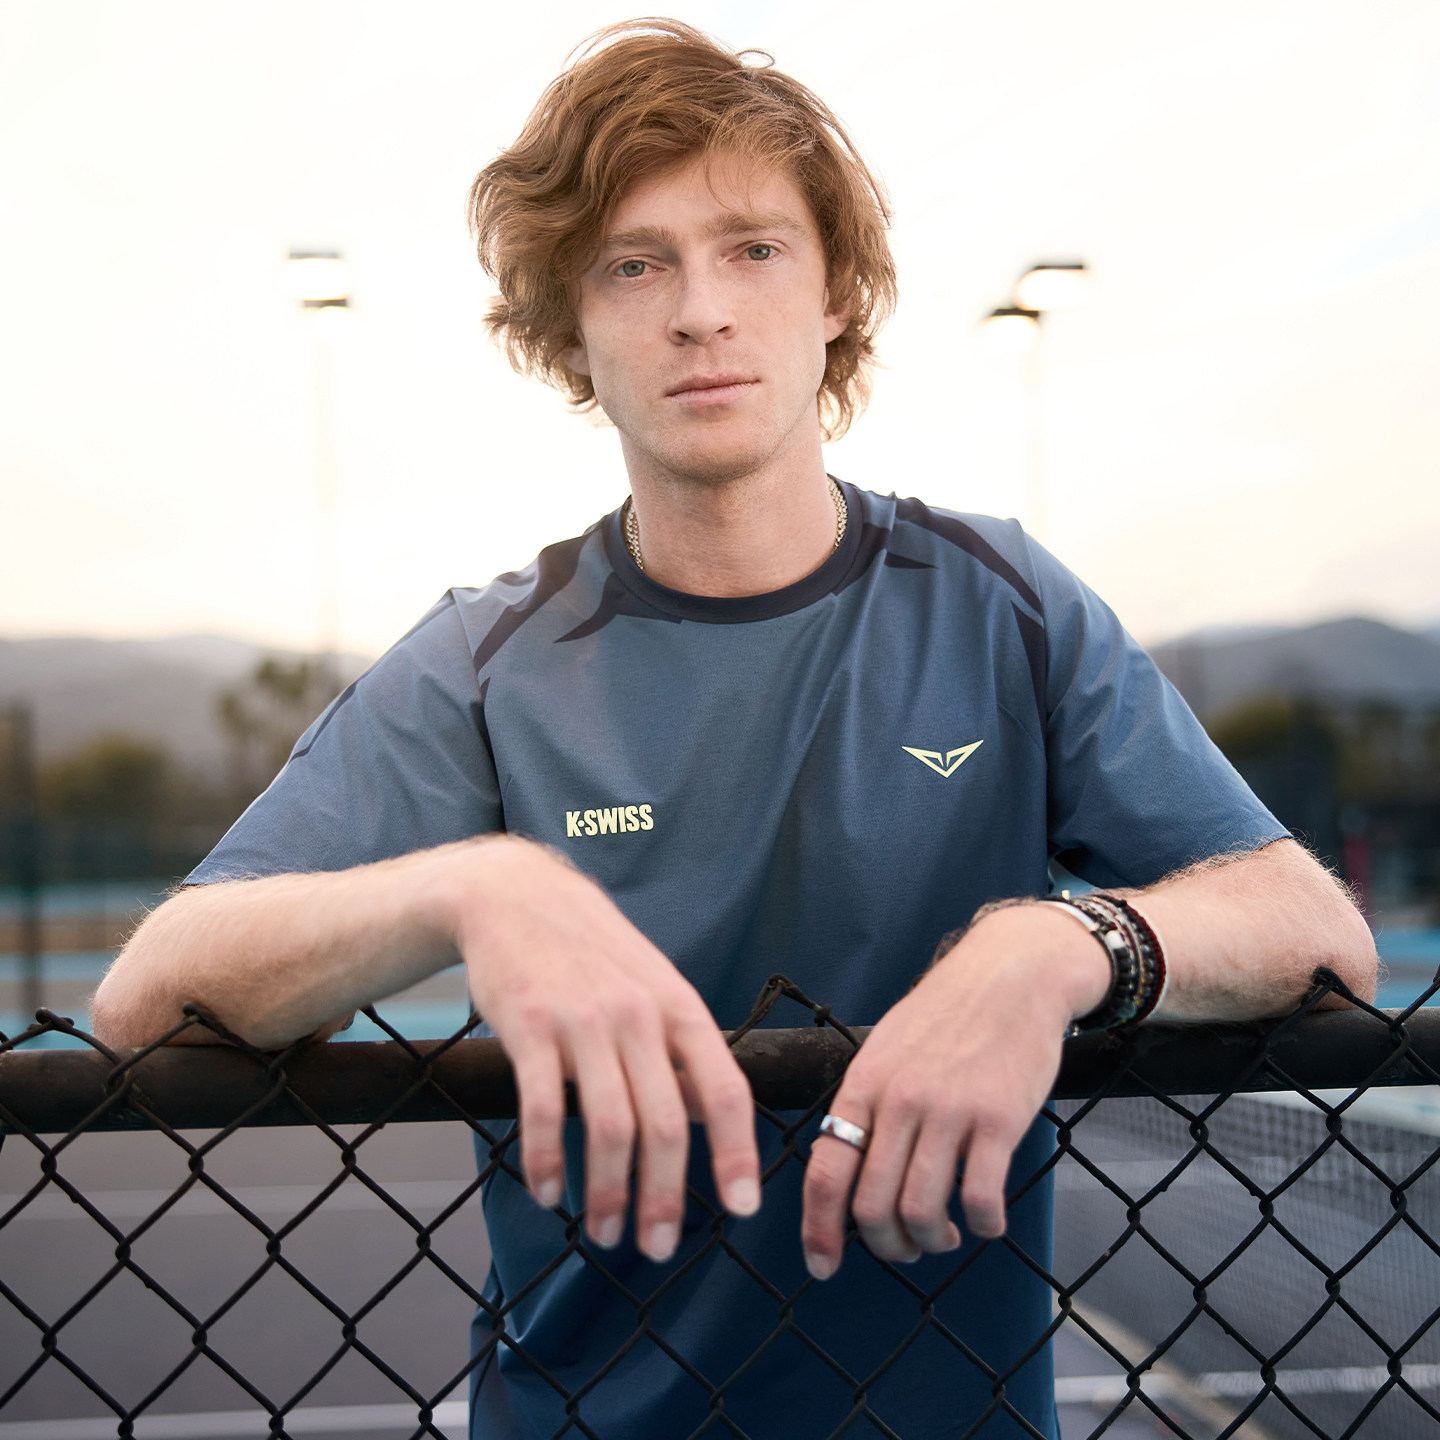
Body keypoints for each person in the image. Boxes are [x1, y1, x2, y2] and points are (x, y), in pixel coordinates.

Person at [94, 18, 1376, 1439]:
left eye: (753, 248)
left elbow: (1310, 926)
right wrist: (473, 890)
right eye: (633, 265)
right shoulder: (486, 660)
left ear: (835, 295)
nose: (700, 311)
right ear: (573, 330)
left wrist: (1061, 945)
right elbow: (149, 996)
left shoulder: (1001, 602)